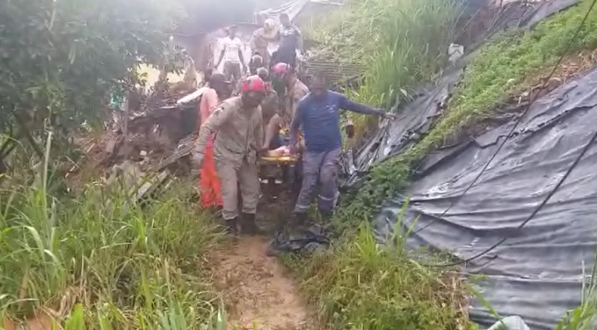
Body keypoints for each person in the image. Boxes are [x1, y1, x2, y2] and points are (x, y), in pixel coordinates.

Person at [289, 74, 396, 222]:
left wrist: (381, 112)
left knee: (326, 176)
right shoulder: (304, 104)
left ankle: (326, 213)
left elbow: (356, 107)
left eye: (321, 88)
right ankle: (300, 215)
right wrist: (292, 143)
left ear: (325, 85)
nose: (318, 91)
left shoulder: (336, 98)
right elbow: (294, 126)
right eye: (316, 88)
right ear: (311, 86)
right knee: (309, 182)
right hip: (312, 150)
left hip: (332, 148)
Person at [194, 75, 267, 234]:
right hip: (225, 154)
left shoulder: (257, 110)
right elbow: (208, 127)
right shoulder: (229, 107)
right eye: (254, 96)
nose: (257, 100)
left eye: (260, 96)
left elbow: (258, 129)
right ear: (245, 93)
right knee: (230, 191)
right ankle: (230, 226)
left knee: (252, 188)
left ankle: (249, 223)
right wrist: (199, 151)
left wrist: (259, 148)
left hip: (246, 154)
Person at [197, 73, 228, 210]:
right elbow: (214, 111)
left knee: (207, 173)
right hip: (211, 139)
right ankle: (220, 203)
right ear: (218, 84)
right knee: (216, 171)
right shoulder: (212, 93)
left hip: (204, 139)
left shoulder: (206, 92)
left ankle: (207, 202)